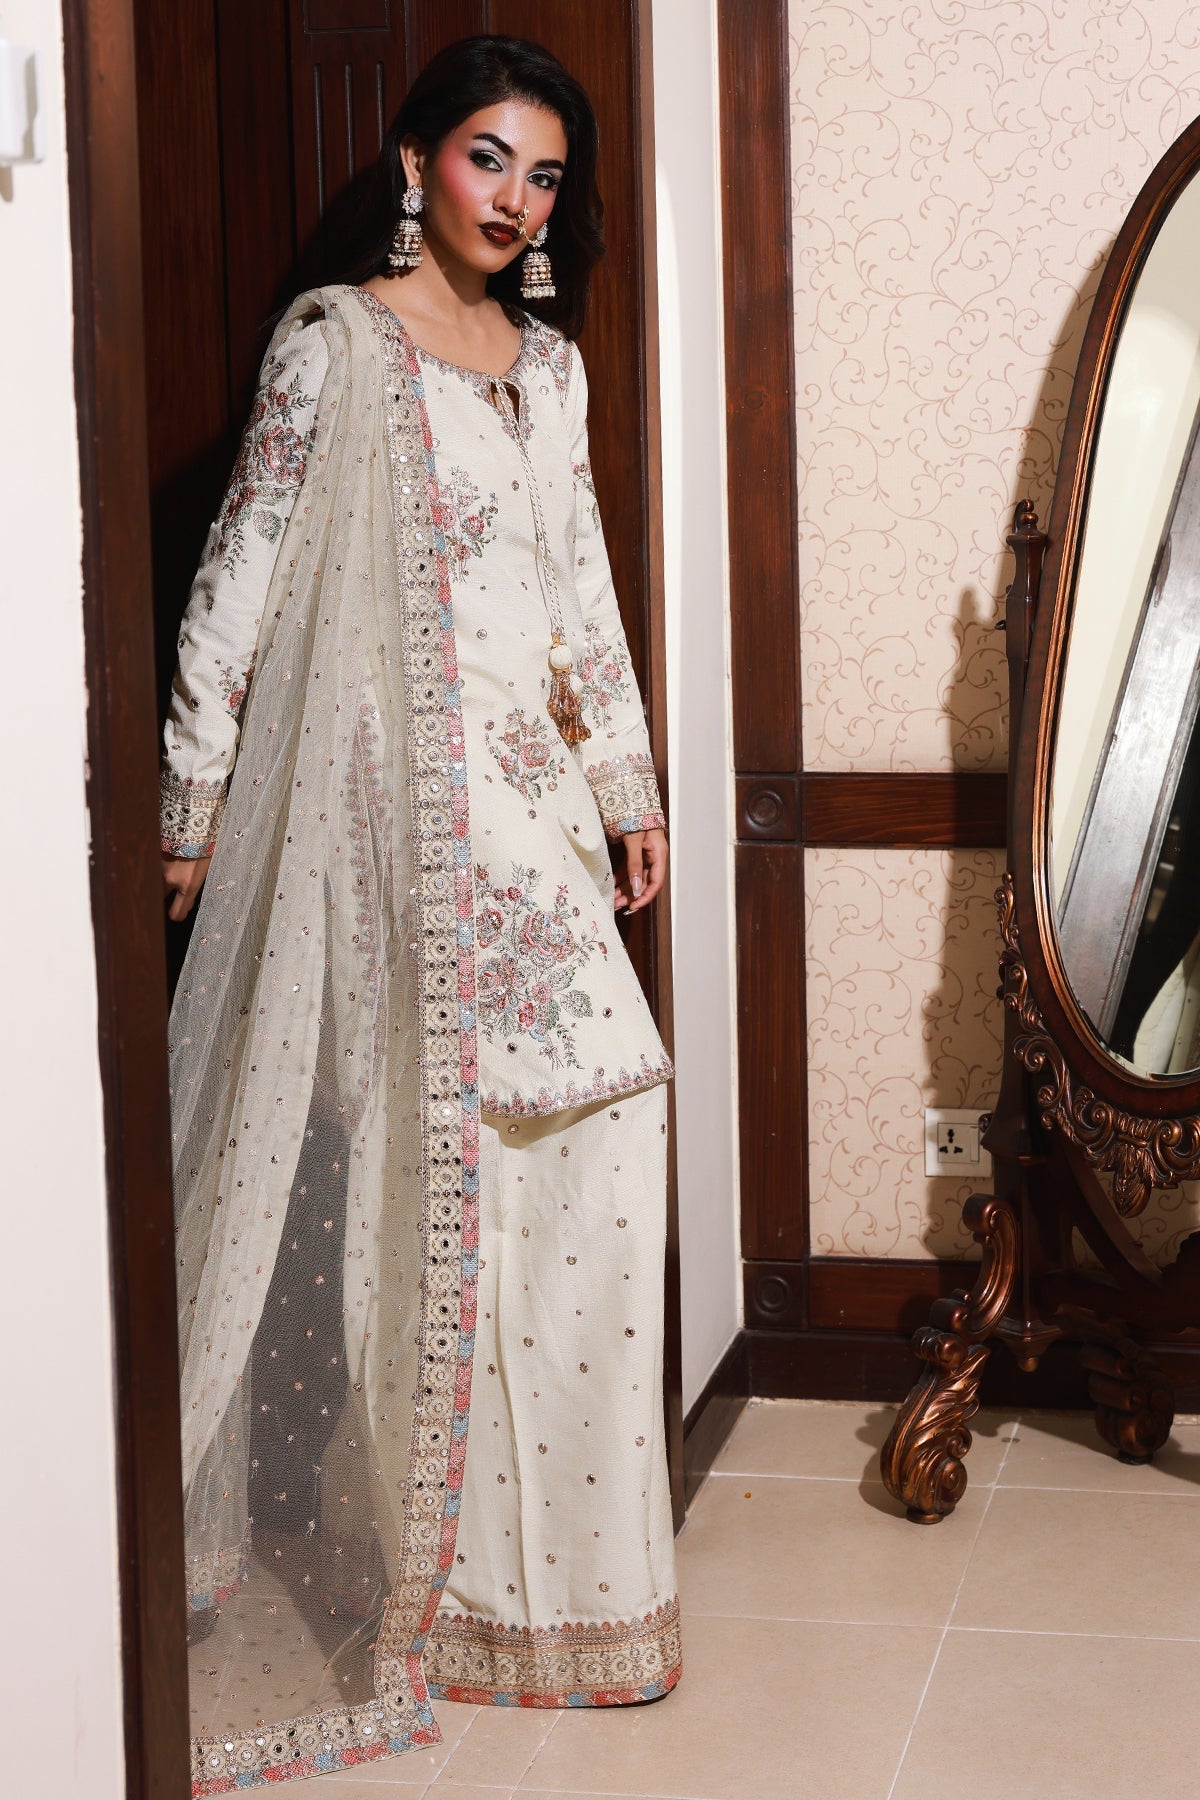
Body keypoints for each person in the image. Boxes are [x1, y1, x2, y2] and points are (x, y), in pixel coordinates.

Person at [161, 33, 680, 1793]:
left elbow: (576, 583)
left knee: (600, 1133)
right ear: (414, 161)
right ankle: (446, 1592)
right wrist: (188, 804)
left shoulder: (552, 366)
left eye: (544, 175)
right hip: (396, 812)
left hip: (539, 811)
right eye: (487, 158)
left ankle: (572, 1595)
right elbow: (241, 569)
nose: (516, 198)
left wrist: (627, 783)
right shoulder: (337, 346)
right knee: (438, 1162)